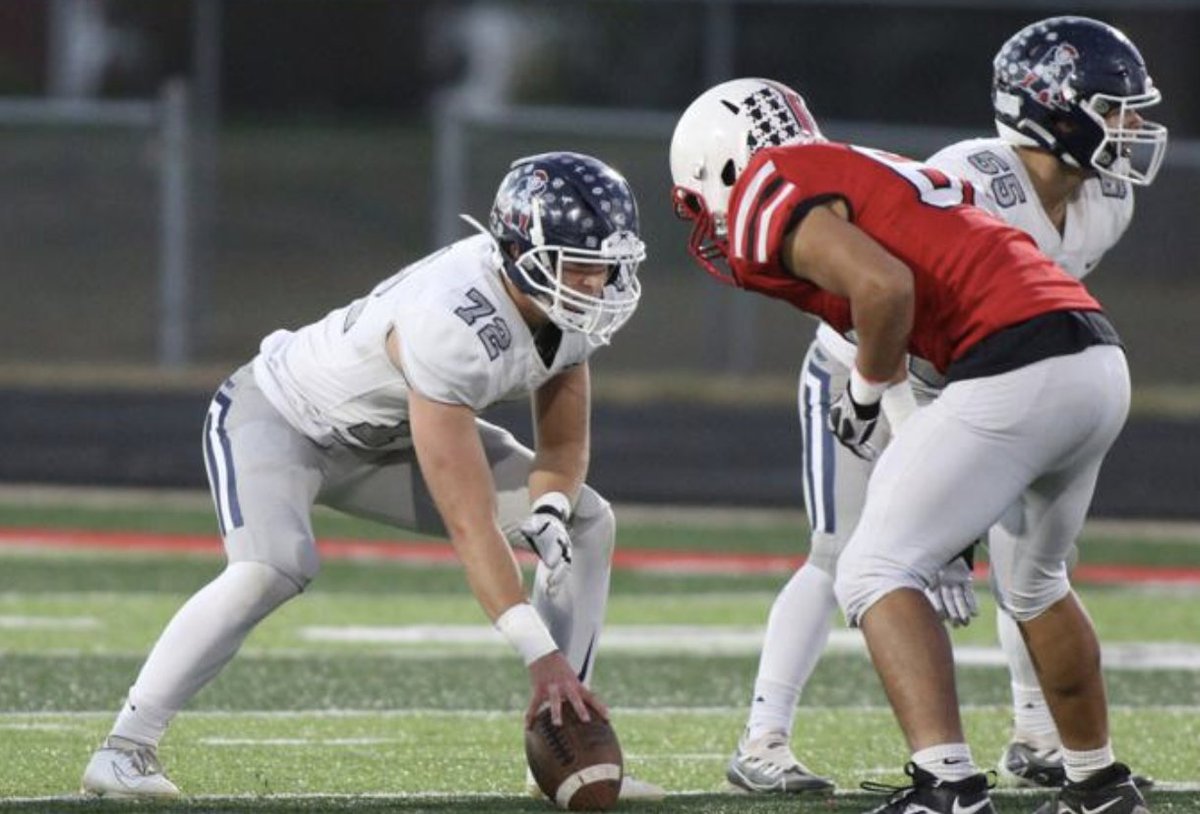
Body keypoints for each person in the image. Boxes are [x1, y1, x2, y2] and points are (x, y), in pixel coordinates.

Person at [80, 151, 663, 802]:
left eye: (608, 266)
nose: (597, 284)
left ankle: (557, 750)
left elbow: (561, 439)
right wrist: (541, 657)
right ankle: (124, 748)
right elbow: (470, 526)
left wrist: (550, 506)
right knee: (273, 566)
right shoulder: (454, 322)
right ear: (519, 251)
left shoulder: (565, 308)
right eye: (579, 264)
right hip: (282, 419)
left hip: (387, 442)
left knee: (585, 522)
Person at [670, 75, 1162, 814]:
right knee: (1036, 584)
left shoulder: (772, 183)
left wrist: (866, 392)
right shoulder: (861, 162)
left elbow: (885, 289)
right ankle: (1097, 781)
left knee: (870, 569)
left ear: (723, 165)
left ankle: (948, 786)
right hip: (1093, 356)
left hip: (1011, 360)